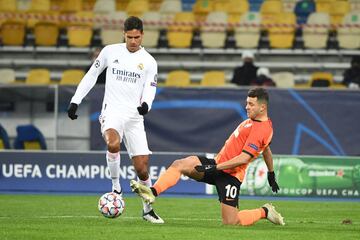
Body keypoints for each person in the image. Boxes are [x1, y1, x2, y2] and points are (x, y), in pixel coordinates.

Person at [131, 87, 285, 226]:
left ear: (262, 107)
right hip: (217, 164)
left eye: (251, 104)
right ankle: (152, 192)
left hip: (230, 175)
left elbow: (244, 159)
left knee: (231, 222)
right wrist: (271, 173)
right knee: (180, 164)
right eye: (247, 103)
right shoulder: (254, 122)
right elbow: (266, 149)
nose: (247, 107)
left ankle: (264, 211)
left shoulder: (261, 129)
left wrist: (214, 167)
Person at [67, 16, 164, 224]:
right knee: (113, 143)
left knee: (142, 169)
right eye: (129, 37)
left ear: (142, 35)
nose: (133, 41)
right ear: (124, 34)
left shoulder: (149, 61)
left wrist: (146, 104)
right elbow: (91, 75)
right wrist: (76, 100)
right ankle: (116, 187)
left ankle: (147, 210)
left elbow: (150, 88)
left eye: (137, 37)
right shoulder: (110, 51)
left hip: (135, 117)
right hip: (112, 111)